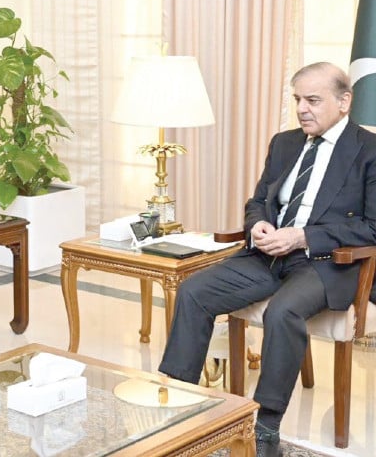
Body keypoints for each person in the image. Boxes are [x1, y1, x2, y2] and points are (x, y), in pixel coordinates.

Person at [158, 62, 376, 457]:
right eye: (297, 100)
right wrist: (257, 224)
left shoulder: (370, 150)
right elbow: (258, 201)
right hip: (268, 255)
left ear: (344, 102)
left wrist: (303, 236)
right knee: (194, 291)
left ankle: (266, 424)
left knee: (283, 312)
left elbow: (373, 227)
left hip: (327, 262)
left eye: (313, 100)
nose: (302, 109)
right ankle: (180, 401)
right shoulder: (285, 143)